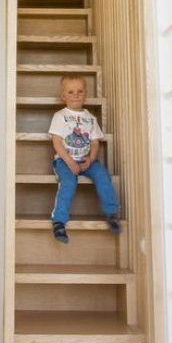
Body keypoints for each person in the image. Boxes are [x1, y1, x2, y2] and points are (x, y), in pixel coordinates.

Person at [49, 76, 121, 244]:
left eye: (80, 91)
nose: (76, 95)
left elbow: (95, 141)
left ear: (85, 94)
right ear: (63, 96)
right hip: (65, 161)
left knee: (103, 175)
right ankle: (59, 221)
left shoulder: (90, 117)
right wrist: (70, 162)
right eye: (71, 92)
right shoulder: (60, 116)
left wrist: (92, 158)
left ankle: (111, 213)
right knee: (69, 183)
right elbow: (57, 142)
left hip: (86, 160)